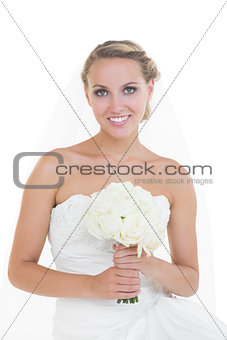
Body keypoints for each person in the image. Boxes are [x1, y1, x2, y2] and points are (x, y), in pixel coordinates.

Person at [7, 40, 227, 339]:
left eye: (129, 89)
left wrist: (146, 262)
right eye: (101, 92)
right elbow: (19, 270)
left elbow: (189, 283)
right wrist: (90, 286)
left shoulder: (172, 174)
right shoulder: (53, 166)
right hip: (80, 327)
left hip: (154, 322)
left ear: (149, 89)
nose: (116, 105)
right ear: (87, 95)